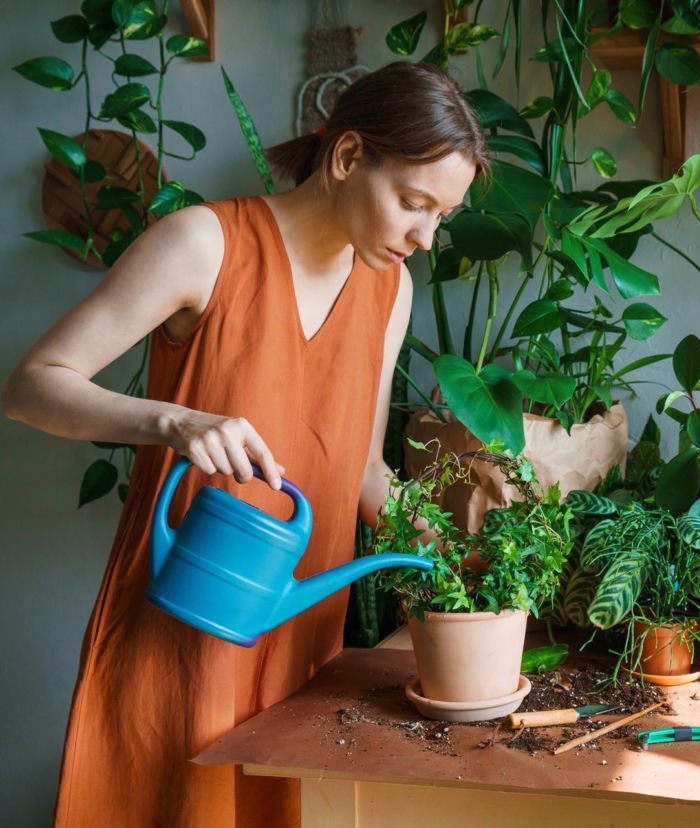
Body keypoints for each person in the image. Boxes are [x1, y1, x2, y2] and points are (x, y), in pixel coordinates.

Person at [2, 61, 488, 827]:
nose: (425, 238)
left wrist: (459, 552)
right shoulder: (204, 243)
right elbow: (31, 386)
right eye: (413, 204)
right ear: (348, 156)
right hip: (180, 648)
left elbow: (361, 471)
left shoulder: (390, 289)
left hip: (301, 658)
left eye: (441, 217)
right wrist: (174, 420)